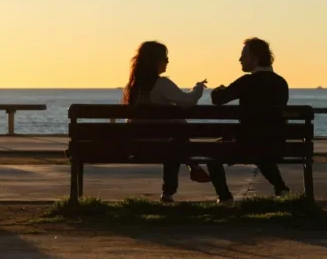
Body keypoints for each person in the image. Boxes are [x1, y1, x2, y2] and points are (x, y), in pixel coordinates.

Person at [121, 40, 211, 202]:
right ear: (155, 61)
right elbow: (187, 101)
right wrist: (198, 88)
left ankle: (189, 170)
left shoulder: (133, 87)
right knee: (175, 140)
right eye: (165, 58)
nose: (168, 61)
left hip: (137, 146)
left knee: (174, 136)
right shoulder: (162, 84)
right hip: (163, 144)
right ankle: (174, 186)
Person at [206, 37, 291, 203]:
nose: (239, 59)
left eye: (243, 55)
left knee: (212, 151)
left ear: (255, 58)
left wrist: (219, 89)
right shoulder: (281, 83)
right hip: (276, 143)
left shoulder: (247, 82)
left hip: (247, 143)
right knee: (262, 149)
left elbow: (218, 99)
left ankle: (224, 198)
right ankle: (281, 189)